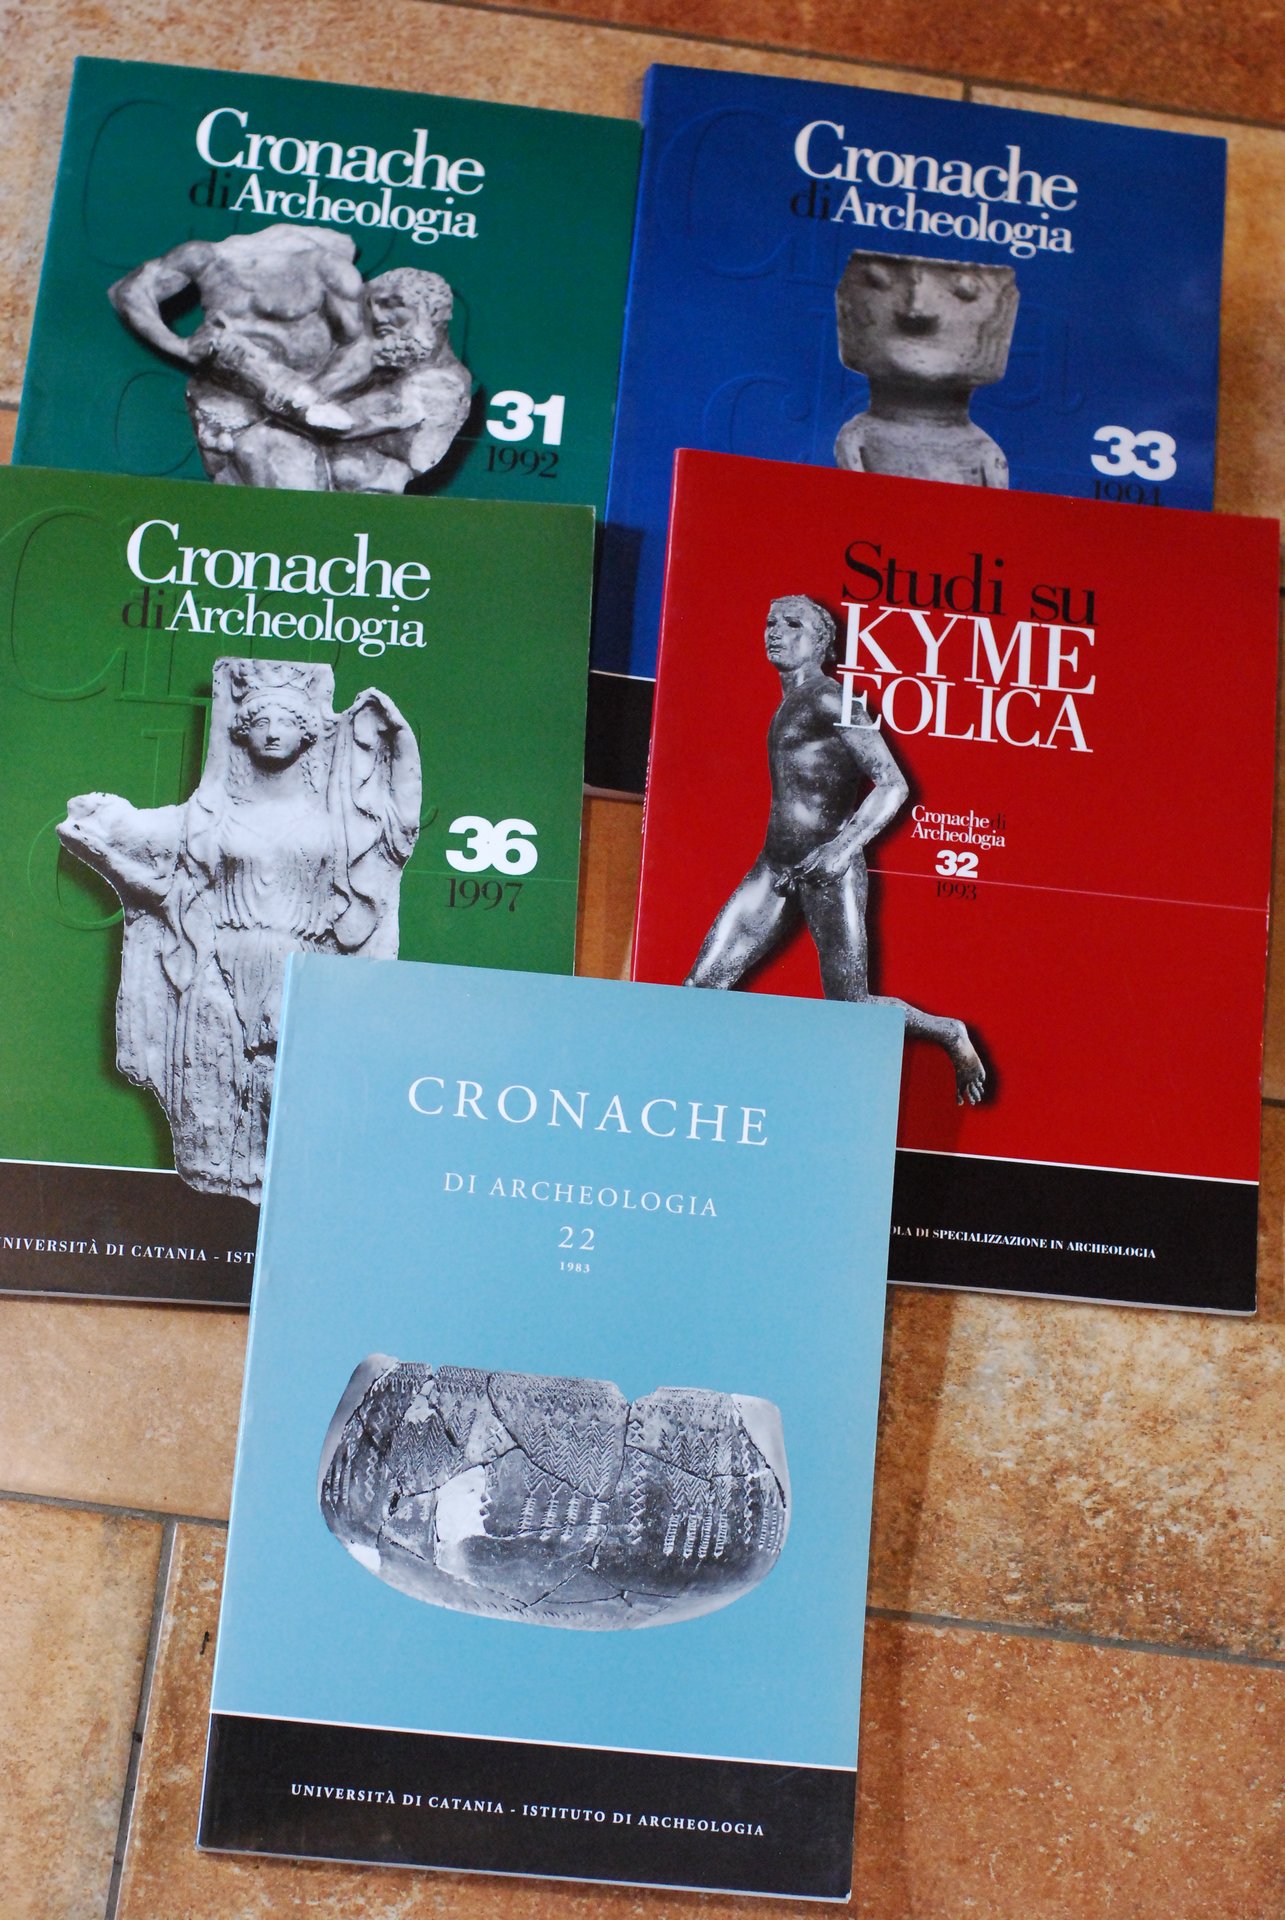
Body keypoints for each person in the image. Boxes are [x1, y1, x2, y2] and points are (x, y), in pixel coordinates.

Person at [57, 659, 421, 1199]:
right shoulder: (208, 816)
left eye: (287, 721)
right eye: (261, 720)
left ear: (309, 733)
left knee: (291, 1087)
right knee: (213, 1077)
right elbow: (146, 844)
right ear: (242, 731)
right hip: (217, 963)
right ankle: (217, 1173)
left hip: (303, 967)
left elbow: (396, 832)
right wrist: (101, 820)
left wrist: (397, 740)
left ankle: (288, 1180)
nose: (273, 732)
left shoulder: (335, 819)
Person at [685, 594, 987, 1104]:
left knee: (849, 1009)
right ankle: (715, 1096)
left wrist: (841, 850)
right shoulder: (790, 701)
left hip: (830, 867)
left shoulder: (834, 698)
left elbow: (892, 783)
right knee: (699, 989)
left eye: (792, 624)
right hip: (775, 864)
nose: (775, 631)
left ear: (821, 641)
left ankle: (948, 1031)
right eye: (770, 621)